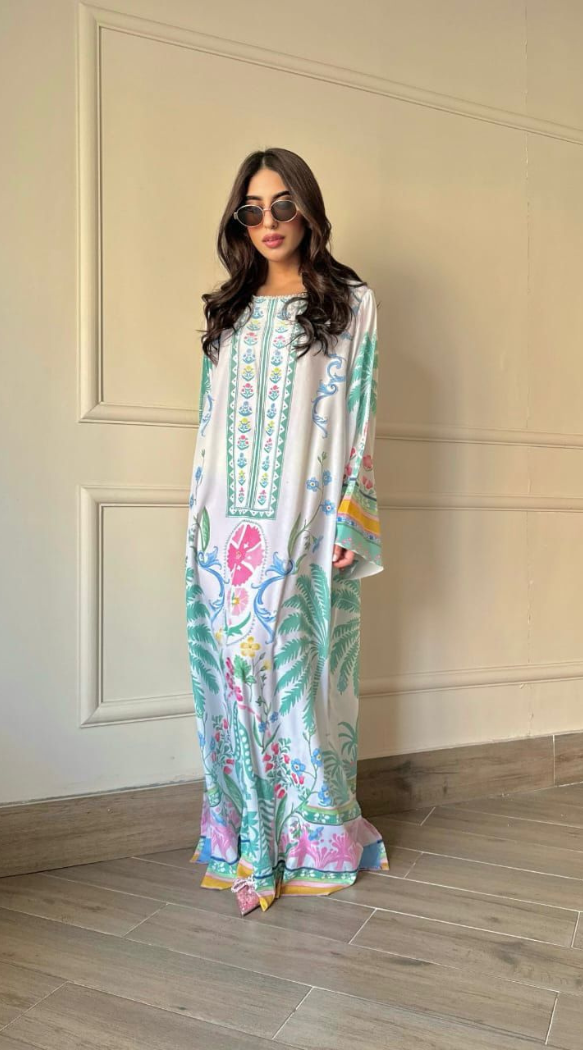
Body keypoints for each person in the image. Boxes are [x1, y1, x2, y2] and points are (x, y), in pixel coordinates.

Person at [184, 147, 388, 916]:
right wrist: (199, 523)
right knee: (234, 677)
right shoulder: (228, 309)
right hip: (223, 525)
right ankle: (245, 839)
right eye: (252, 210)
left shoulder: (350, 303)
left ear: (307, 209)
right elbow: (210, 427)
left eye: (282, 205)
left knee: (299, 675)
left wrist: (353, 516)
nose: (268, 222)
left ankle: (311, 841)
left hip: (305, 520)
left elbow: (362, 410)